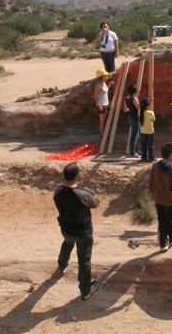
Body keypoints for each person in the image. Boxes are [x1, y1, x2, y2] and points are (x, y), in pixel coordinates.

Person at [53, 162, 100, 300]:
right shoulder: (84, 193)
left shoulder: (57, 190)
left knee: (67, 243)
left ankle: (62, 265)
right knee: (84, 259)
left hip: (66, 228)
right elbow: (95, 203)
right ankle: (86, 289)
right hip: (82, 232)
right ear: (77, 175)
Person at [93, 68, 114, 137]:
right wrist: (99, 106)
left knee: (105, 120)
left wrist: (110, 85)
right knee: (102, 121)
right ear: (102, 77)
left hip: (106, 104)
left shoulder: (103, 83)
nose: (107, 76)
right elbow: (95, 96)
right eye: (105, 75)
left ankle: (105, 134)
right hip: (102, 105)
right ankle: (102, 135)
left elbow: (105, 91)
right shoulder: (98, 85)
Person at [123, 84, 140, 158]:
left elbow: (125, 110)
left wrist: (130, 108)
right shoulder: (134, 98)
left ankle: (135, 151)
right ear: (135, 91)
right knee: (134, 136)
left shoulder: (126, 99)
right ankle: (133, 152)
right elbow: (139, 108)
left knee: (135, 135)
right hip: (135, 118)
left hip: (130, 117)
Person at [139, 98, 156, 162]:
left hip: (143, 131)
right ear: (147, 106)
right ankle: (151, 157)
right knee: (150, 145)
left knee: (144, 145)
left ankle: (144, 157)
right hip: (150, 131)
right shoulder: (150, 113)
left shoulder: (140, 112)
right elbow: (154, 119)